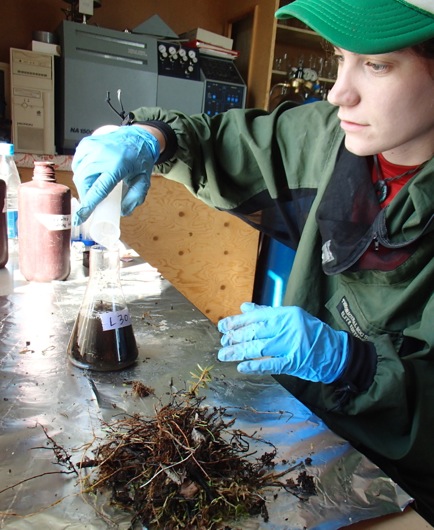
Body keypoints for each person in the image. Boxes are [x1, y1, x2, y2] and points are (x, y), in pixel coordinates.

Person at [71, 0, 434, 523]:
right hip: (311, 433)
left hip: (407, 486)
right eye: (339, 59)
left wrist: (352, 362)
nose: (339, 92)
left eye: (376, 64)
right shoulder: (333, 136)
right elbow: (216, 141)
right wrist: (152, 138)